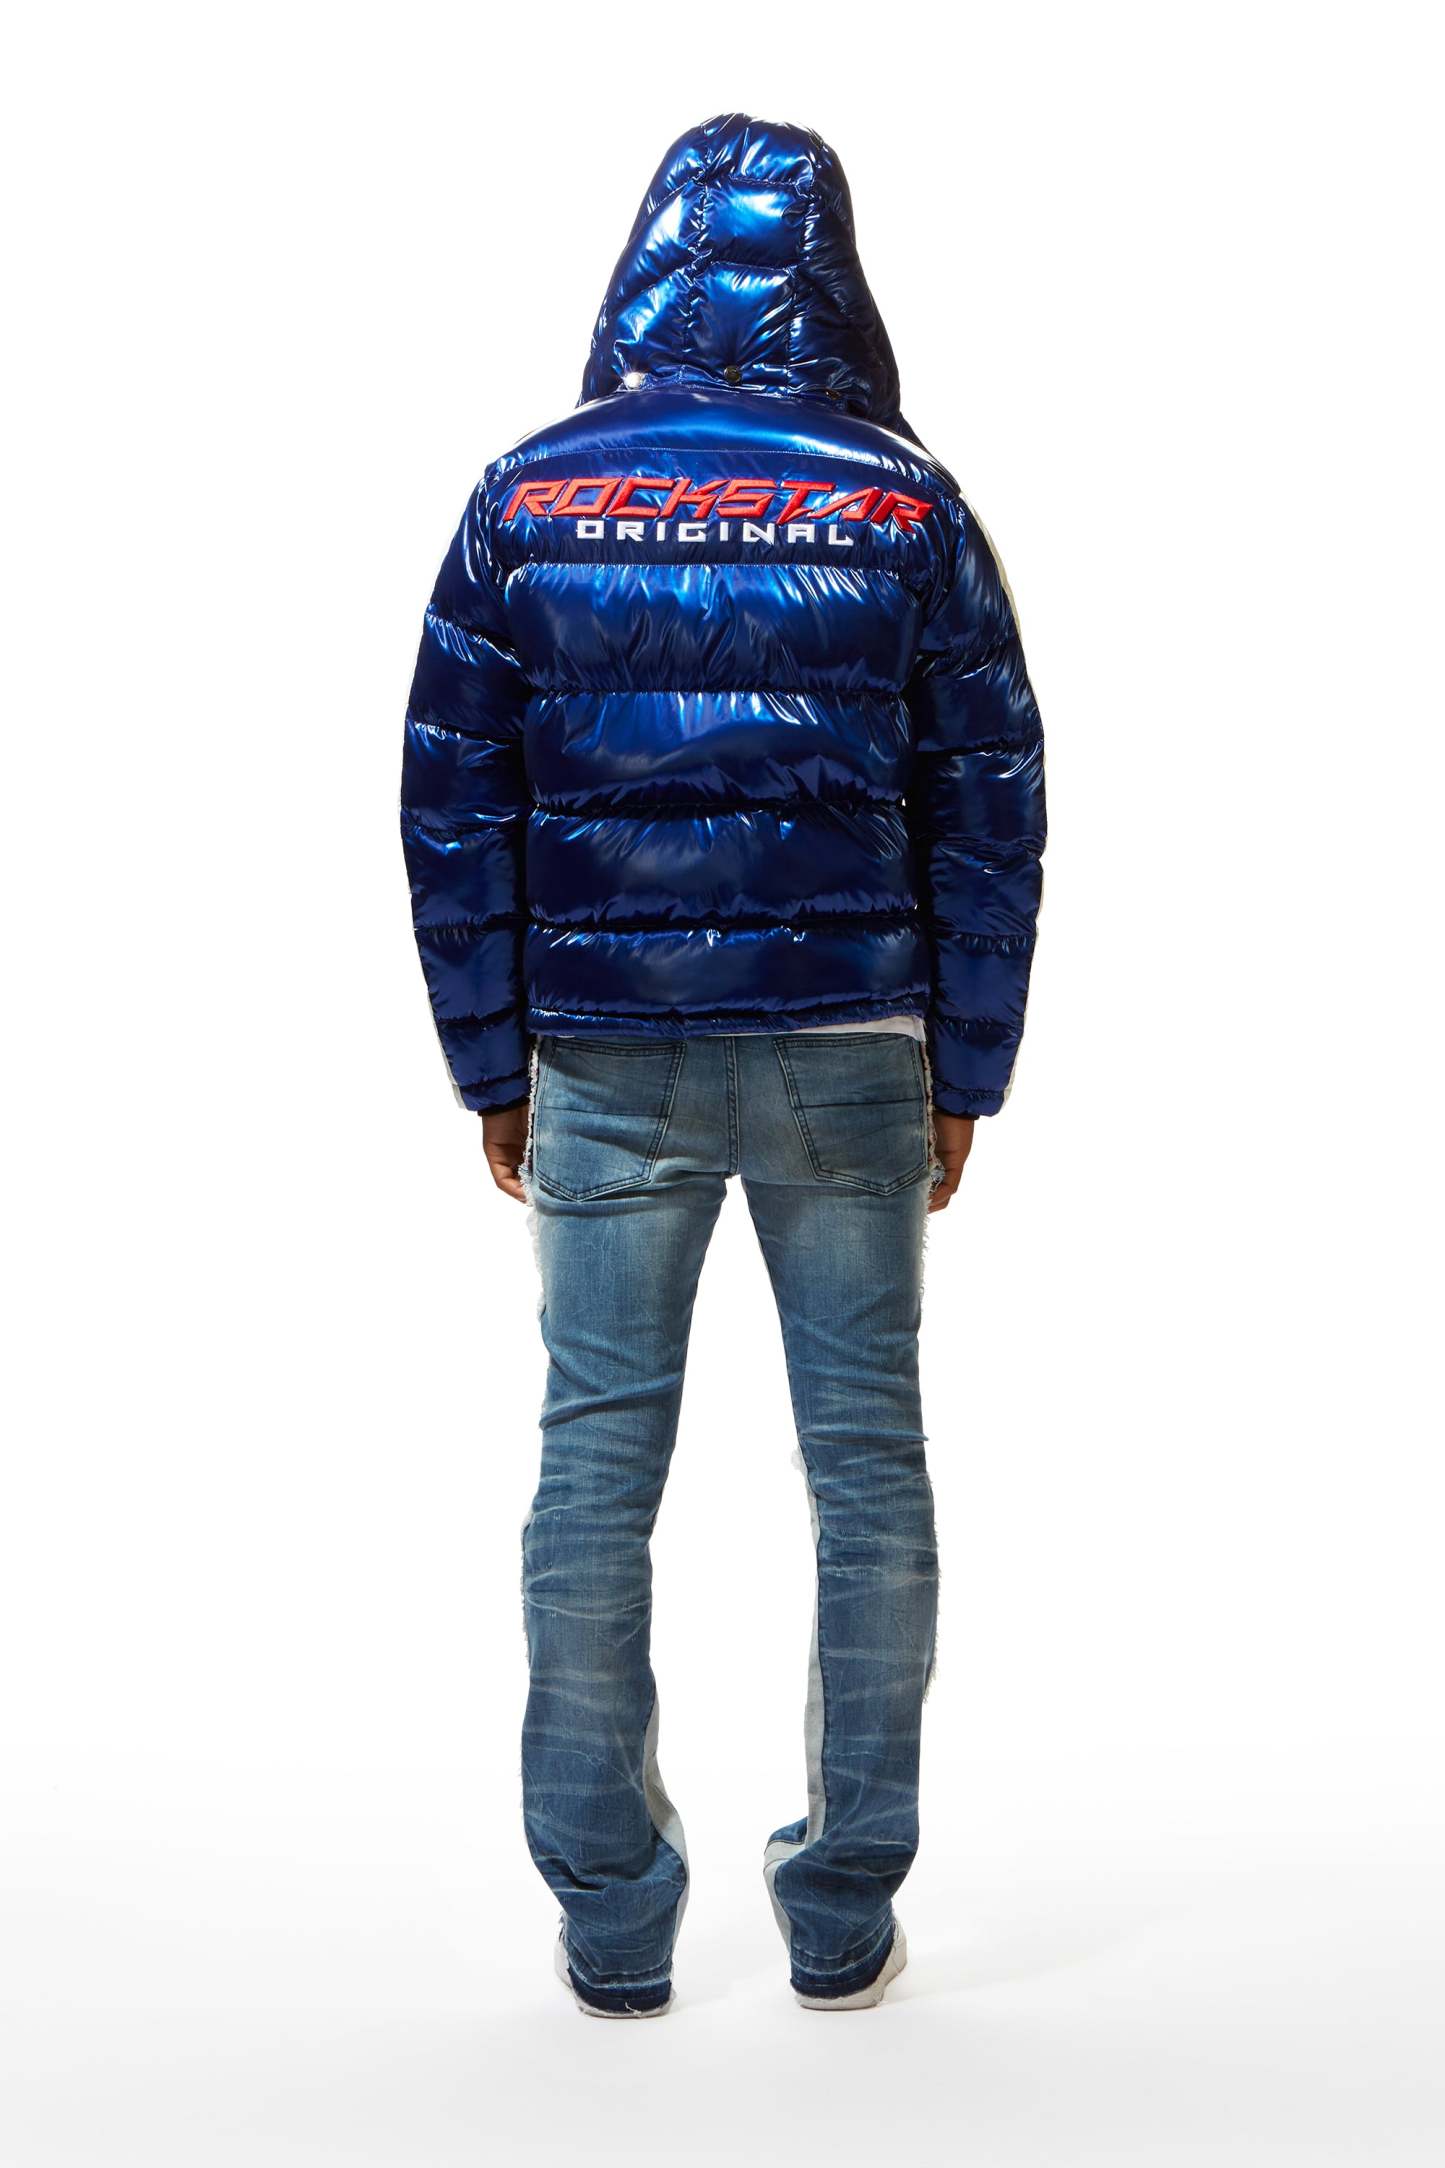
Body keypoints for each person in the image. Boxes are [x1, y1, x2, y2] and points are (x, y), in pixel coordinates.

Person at [401, 113, 1046, 2017]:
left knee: (593, 1471)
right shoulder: (901, 504)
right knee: (868, 1473)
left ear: (645, 263)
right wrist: (966, 1070)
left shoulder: (529, 496)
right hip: (852, 1050)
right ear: (831, 271)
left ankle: (611, 1928)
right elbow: (989, 807)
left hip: (602, 1057)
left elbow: (451, 804)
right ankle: (841, 1917)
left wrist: (490, 1063)